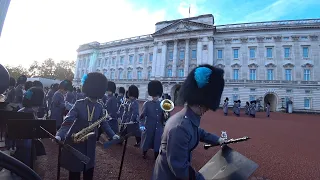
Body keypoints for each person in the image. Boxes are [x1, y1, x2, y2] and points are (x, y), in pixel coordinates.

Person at [152, 64, 226, 180]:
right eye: (206, 106)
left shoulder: (187, 119)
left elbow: (198, 132)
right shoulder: (180, 126)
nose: (207, 109)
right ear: (200, 103)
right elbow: (179, 167)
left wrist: (218, 140)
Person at [55, 72, 119, 180]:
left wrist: (113, 135)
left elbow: (104, 123)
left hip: (90, 142)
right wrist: (60, 135)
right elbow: (68, 120)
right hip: (76, 141)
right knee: (74, 171)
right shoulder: (79, 103)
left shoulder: (99, 106)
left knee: (88, 170)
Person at [14, 87, 46, 167]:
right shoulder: (30, 112)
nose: (38, 109)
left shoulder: (22, 110)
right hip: (27, 142)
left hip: (20, 141)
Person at [140, 80, 164, 160]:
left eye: (156, 95)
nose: (155, 96)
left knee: (157, 143)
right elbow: (142, 117)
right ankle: (144, 153)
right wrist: (142, 126)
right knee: (146, 142)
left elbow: (166, 118)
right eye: (154, 95)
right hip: (149, 127)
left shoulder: (163, 104)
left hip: (159, 128)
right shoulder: (147, 104)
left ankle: (156, 156)